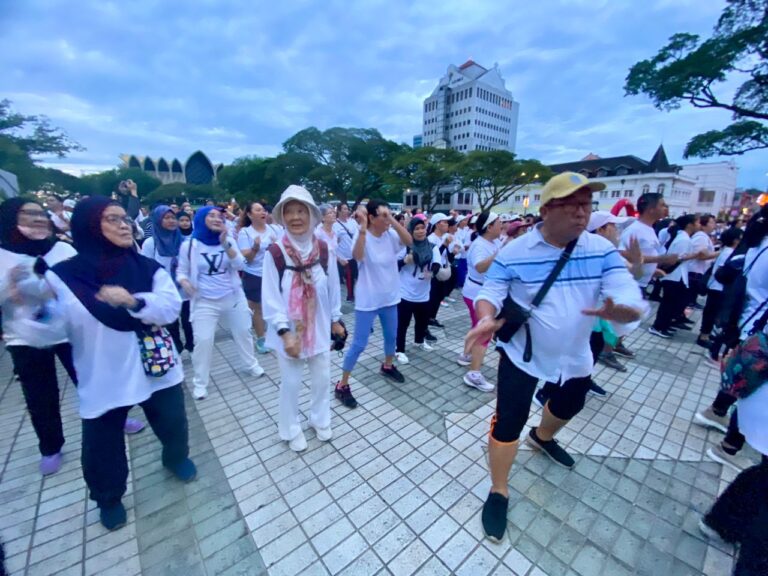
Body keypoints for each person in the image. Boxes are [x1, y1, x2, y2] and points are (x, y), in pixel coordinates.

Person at [465, 172, 644, 542]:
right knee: (508, 423)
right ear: (546, 210)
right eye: (572, 204)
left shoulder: (600, 249)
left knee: (571, 403)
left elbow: (626, 292)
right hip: (522, 353)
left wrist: (623, 309)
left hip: (575, 354)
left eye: (587, 205)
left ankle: (543, 436)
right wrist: (485, 318)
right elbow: (492, 291)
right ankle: (499, 489)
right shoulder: (515, 251)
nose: (582, 213)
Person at [16, 196, 196, 530]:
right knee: (102, 446)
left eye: (125, 219)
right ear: (89, 225)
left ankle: (176, 459)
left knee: (173, 423)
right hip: (103, 373)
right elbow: (49, 328)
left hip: (156, 367)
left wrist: (132, 301)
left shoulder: (147, 268)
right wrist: (26, 314)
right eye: (112, 219)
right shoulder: (62, 277)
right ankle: (109, 497)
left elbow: (170, 308)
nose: (124, 225)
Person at [261, 186, 344, 452]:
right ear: (282, 217)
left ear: (311, 215)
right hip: (290, 331)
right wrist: (284, 332)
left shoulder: (323, 249)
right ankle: (290, 428)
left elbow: (333, 286)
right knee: (291, 383)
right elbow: (270, 297)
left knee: (322, 377)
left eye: (301, 211)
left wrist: (336, 319)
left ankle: (319, 419)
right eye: (289, 212)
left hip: (318, 326)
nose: (295, 217)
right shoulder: (275, 253)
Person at [177, 206, 264, 400]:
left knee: (243, 331)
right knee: (203, 340)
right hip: (204, 301)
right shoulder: (189, 245)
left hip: (232, 296)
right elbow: (181, 271)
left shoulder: (228, 239)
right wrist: (184, 282)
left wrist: (225, 244)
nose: (217, 219)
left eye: (219, 216)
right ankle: (200, 382)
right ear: (200, 219)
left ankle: (250, 364)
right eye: (211, 216)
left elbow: (240, 265)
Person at [335, 200, 413, 408]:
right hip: (368, 298)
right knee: (359, 344)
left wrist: (392, 220)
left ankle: (387, 366)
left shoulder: (391, 235)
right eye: (383, 215)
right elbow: (357, 256)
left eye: (389, 214)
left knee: (391, 336)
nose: (387, 218)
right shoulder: (362, 236)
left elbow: (409, 241)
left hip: (390, 297)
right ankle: (342, 384)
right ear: (371, 218)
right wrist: (362, 228)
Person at [457, 212, 503, 392]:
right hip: (477, 293)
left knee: (478, 328)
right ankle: (473, 374)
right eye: (499, 222)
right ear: (489, 227)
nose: (502, 225)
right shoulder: (479, 245)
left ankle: (466, 355)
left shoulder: (494, 242)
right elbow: (479, 266)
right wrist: (499, 254)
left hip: (484, 291)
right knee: (484, 333)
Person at [141, 205, 194, 356]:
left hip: (185, 288)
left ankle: (191, 346)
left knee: (189, 320)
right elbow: (146, 268)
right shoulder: (151, 243)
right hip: (165, 291)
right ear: (158, 220)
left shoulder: (184, 241)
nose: (171, 221)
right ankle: (177, 348)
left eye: (173, 217)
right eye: (166, 218)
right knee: (171, 323)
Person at [394, 217, 442, 364]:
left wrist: (432, 272)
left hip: (424, 293)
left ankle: (419, 341)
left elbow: (437, 263)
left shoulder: (432, 247)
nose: (421, 231)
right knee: (403, 324)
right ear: (411, 231)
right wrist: (404, 261)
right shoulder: (406, 246)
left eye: (423, 228)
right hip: (405, 293)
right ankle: (399, 350)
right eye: (417, 229)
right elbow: (393, 265)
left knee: (422, 321)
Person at [237, 201, 279, 354]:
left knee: (276, 304)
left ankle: (277, 333)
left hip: (273, 274)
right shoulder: (245, 233)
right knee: (258, 308)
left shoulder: (274, 229)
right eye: (258, 210)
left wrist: (276, 246)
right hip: (254, 274)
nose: (263, 212)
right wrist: (255, 247)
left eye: (263, 210)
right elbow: (247, 258)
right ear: (249, 215)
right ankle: (261, 338)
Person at [649, 214, 699, 338]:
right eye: (697, 222)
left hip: (677, 275)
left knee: (671, 303)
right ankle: (658, 326)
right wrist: (694, 255)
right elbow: (677, 258)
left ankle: (664, 325)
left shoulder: (683, 237)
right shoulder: (684, 239)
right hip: (674, 276)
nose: (699, 225)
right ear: (689, 225)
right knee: (668, 303)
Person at [696, 226, 742, 349]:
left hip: (717, 286)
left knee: (712, 312)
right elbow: (722, 271)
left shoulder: (726, 251)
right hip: (718, 287)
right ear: (735, 240)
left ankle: (706, 333)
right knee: (711, 313)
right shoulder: (729, 253)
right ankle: (703, 336)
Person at [333, 202, 359, 301]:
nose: (346, 210)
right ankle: (350, 296)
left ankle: (358, 294)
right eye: (344, 209)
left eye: (347, 208)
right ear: (339, 211)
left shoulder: (353, 222)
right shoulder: (335, 225)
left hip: (355, 254)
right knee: (349, 277)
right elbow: (333, 241)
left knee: (358, 276)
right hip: (344, 256)